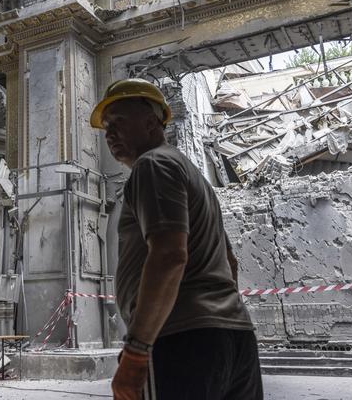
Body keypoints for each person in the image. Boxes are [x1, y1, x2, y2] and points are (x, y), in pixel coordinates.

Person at [90, 79, 262, 400]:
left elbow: (169, 255)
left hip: (183, 339)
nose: (109, 133)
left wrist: (138, 348)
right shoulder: (193, 177)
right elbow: (231, 263)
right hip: (234, 334)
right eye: (106, 127)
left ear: (152, 123)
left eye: (119, 122)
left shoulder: (152, 165)